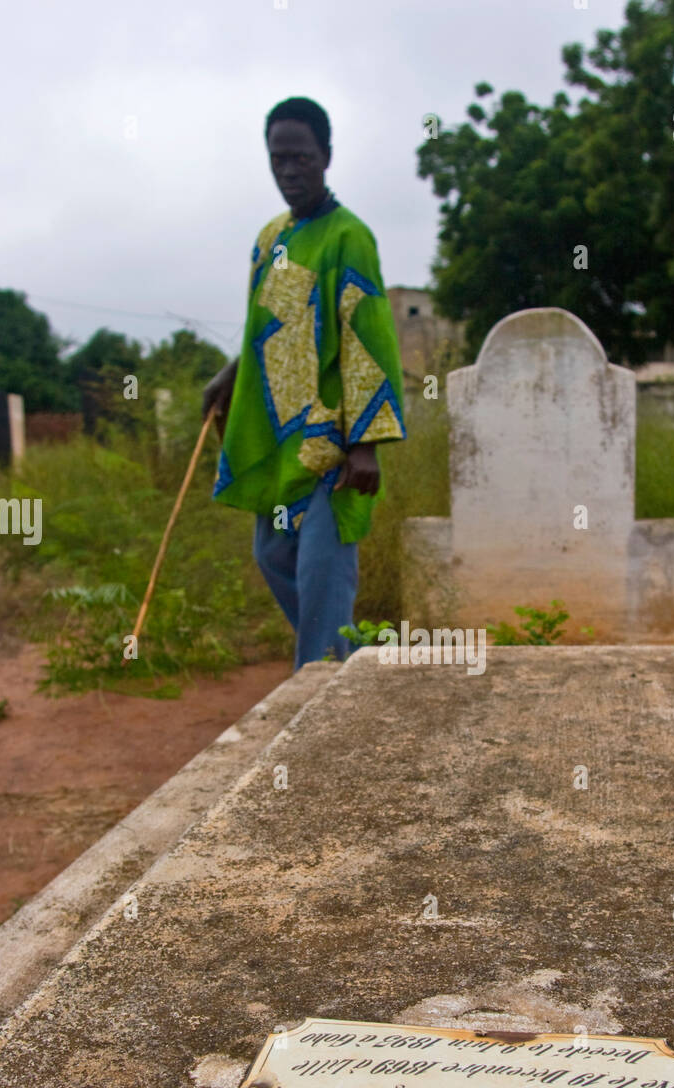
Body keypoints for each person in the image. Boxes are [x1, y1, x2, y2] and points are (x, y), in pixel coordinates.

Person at [203, 97, 406, 669]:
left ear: (327, 157)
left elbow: (368, 336)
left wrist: (364, 442)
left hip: (334, 450)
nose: (289, 170)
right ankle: (352, 665)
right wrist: (227, 374)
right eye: (278, 159)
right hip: (280, 444)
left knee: (322, 574)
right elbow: (264, 327)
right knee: (273, 555)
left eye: (302, 157)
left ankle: (321, 691)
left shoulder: (350, 237)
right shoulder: (270, 241)